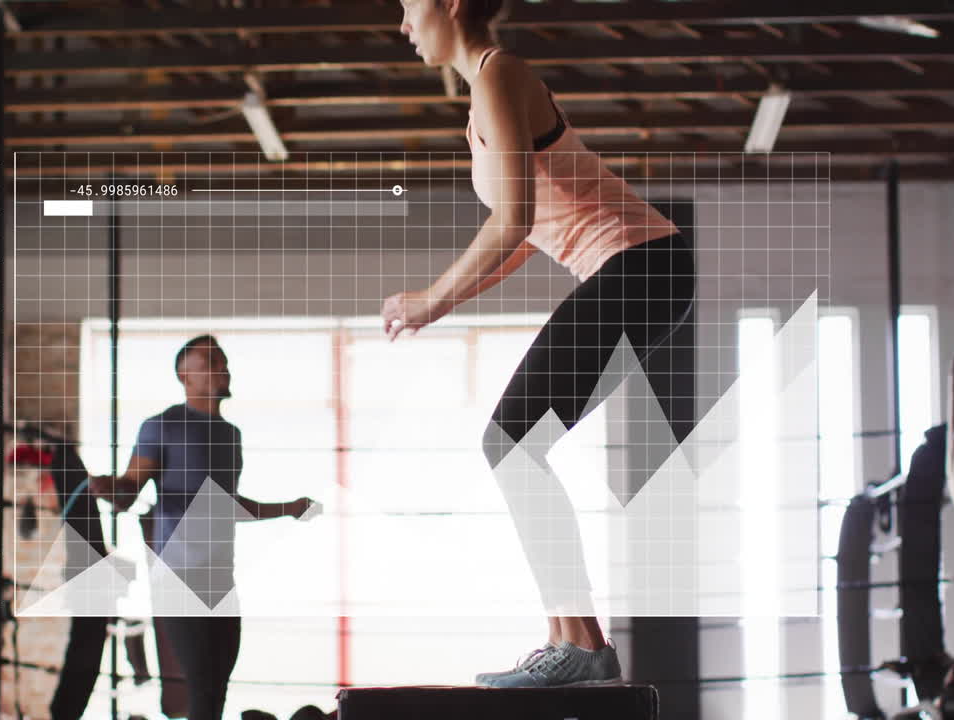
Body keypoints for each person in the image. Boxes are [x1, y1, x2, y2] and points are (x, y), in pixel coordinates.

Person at [384, 0, 695, 688]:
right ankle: (568, 640)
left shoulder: (499, 73)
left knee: (511, 444)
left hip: (640, 265)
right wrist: (442, 304)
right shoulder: (483, 96)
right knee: (514, 446)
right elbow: (527, 231)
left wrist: (433, 298)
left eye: (409, 5)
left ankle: (581, 645)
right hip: (641, 269)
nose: (403, 25)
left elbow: (514, 217)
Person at [90, 335, 314, 720]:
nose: (221, 368)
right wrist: (107, 488)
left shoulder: (230, 435)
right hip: (179, 575)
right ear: (185, 376)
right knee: (200, 689)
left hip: (220, 576)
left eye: (222, 360)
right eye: (209, 362)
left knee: (216, 690)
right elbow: (128, 492)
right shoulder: (162, 426)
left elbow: (226, 504)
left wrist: (288, 509)